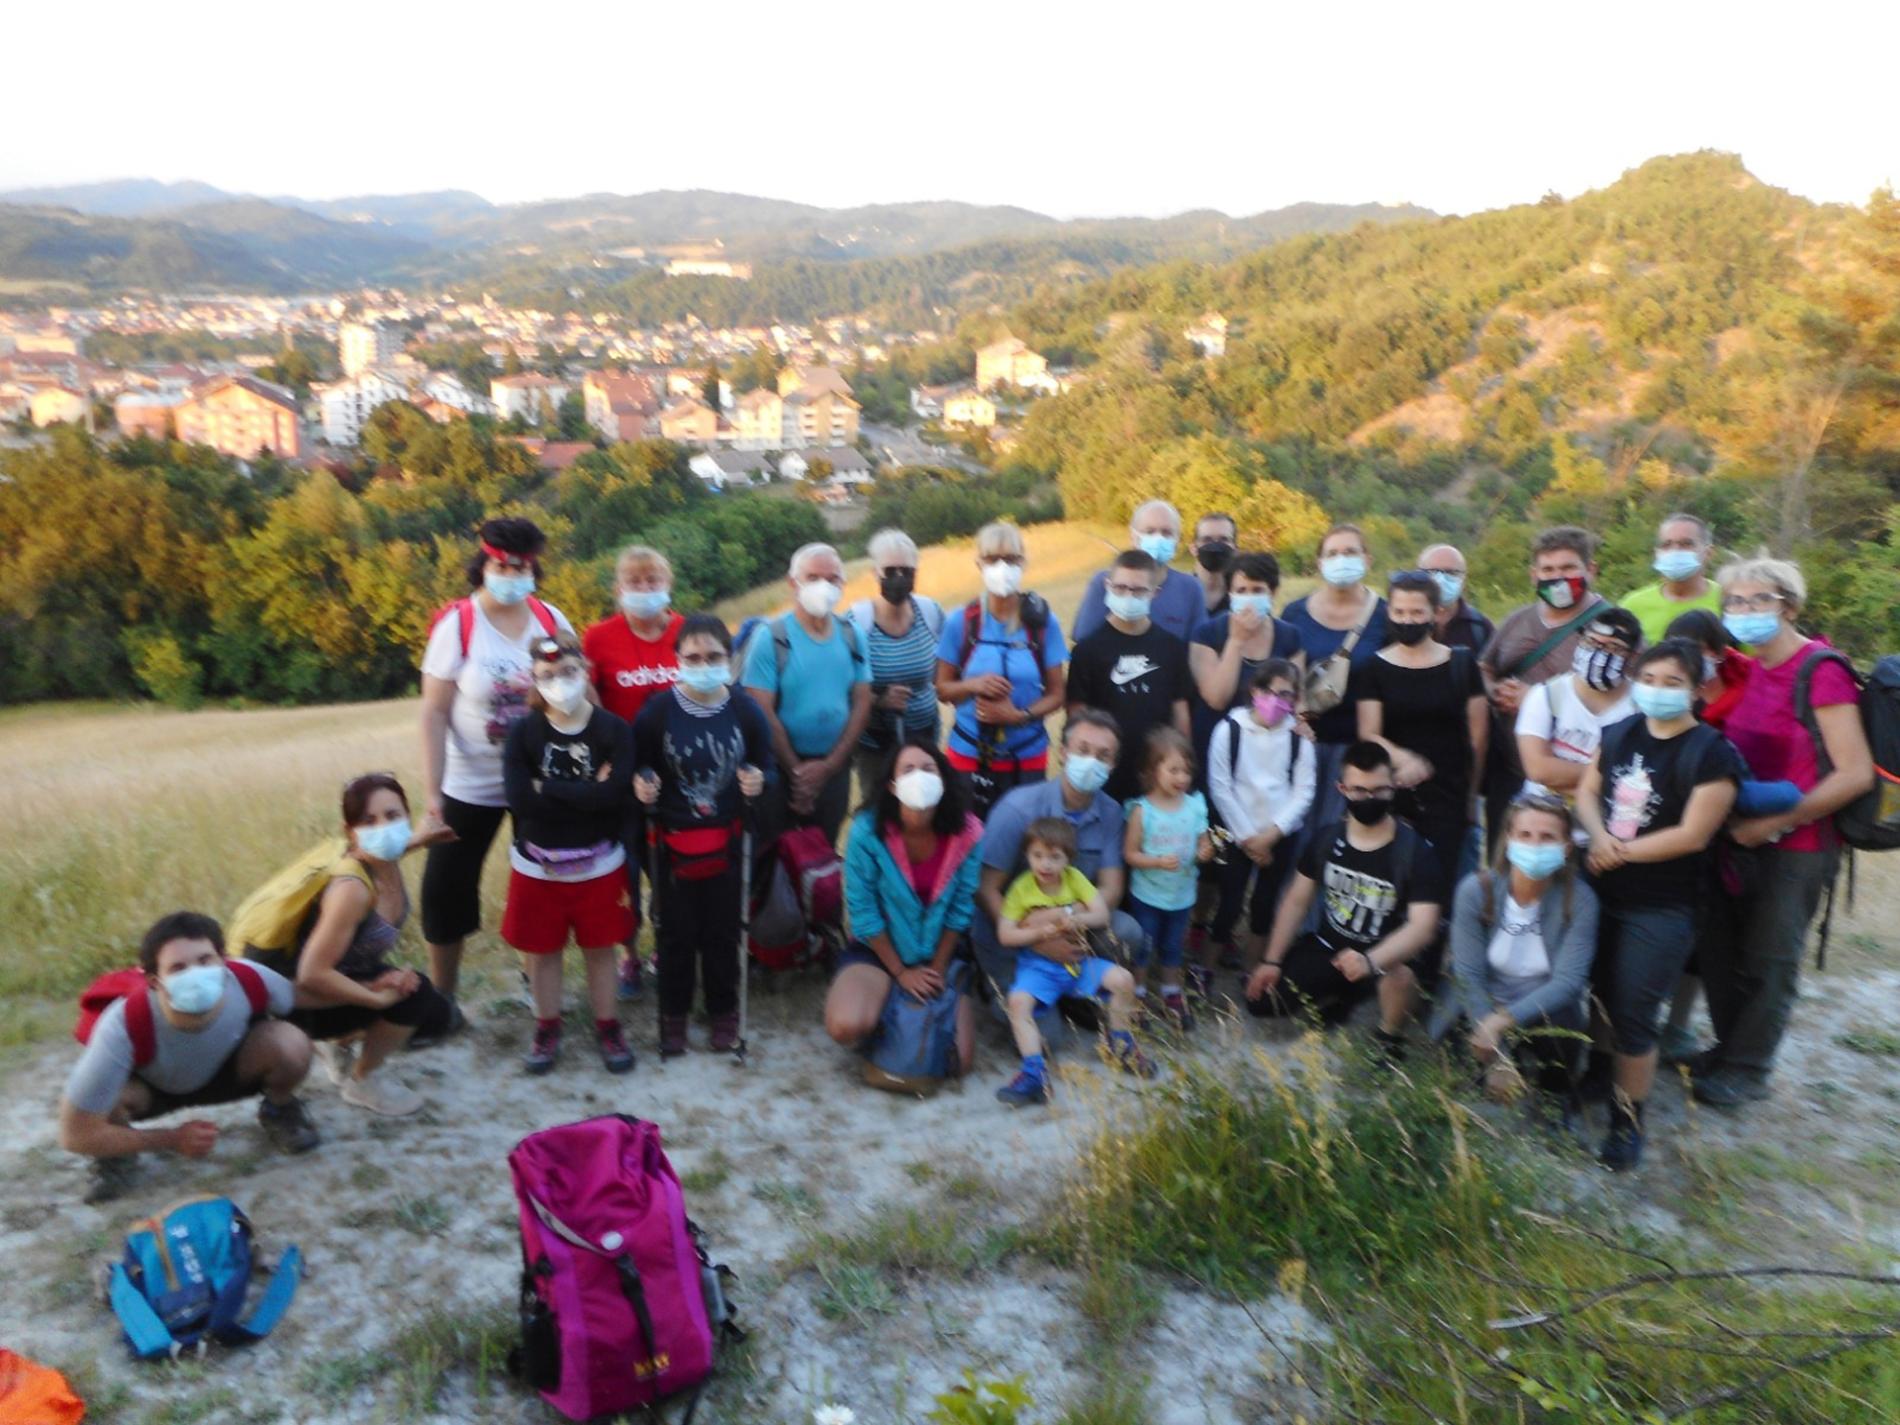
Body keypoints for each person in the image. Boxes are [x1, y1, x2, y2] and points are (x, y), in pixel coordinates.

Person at [1690, 558, 1874, 1108]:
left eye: (1758, 600)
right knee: (1724, 951)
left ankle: (1748, 1069)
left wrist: (1774, 824)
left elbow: (1855, 772)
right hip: (1737, 836)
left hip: (1797, 845)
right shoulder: (1745, 670)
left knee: (1771, 957)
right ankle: (1727, 1049)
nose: (1744, 611)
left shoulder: (1821, 670)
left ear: (1788, 606)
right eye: (1735, 602)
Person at [1576, 640, 1743, 1170]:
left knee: (1635, 1011)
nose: (1657, 690)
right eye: (1648, 678)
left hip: (1664, 904)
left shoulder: (1712, 753)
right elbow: (1586, 791)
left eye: (1673, 682)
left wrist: (1615, 851)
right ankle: (1600, 1073)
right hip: (1602, 888)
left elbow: (1695, 834)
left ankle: (1628, 1120)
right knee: (1599, 992)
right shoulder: (1618, 732)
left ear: (1696, 689)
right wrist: (1598, 837)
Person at [419, 516, 575, 1029]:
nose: (512, 573)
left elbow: (579, 694)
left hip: (538, 780)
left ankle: (541, 992)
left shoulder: (551, 620)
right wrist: (432, 794)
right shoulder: (458, 625)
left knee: (540, 886)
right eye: (502, 564)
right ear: (483, 564)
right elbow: (434, 712)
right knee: (446, 890)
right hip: (469, 782)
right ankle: (443, 1004)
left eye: (523, 566)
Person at [61, 912, 320, 1204]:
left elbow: (300, 996)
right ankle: (117, 1155)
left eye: (205, 960)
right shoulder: (122, 1023)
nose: (195, 974)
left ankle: (280, 1108)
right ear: (154, 981)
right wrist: (171, 1139)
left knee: (292, 1042)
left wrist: (369, 994)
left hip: (233, 1071)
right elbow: (74, 1134)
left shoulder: (247, 977)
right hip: (153, 1089)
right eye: (178, 968)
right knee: (104, 1098)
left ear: (224, 959)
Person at [243, 773, 455, 1117]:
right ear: (350, 832)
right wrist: (374, 994)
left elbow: (389, 847)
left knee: (437, 1014)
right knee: (414, 997)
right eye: (368, 820)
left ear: (407, 816)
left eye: (393, 815)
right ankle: (361, 1079)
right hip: (299, 1000)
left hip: (339, 978)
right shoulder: (351, 890)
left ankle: (338, 1045)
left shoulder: (383, 858)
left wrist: (421, 840)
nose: (384, 827)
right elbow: (312, 973)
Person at [632, 615, 773, 1058]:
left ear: (729, 659)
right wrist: (641, 781)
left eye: (713, 656)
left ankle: (724, 1011)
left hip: (728, 839)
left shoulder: (745, 709)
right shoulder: (657, 710)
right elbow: (638, 763)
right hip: (672, 842)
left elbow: (766, 764)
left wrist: (758, 780)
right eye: (692, 657)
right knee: (674, 932)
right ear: (677, 660)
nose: (703, 664)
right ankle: (673, 1015)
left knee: (723, 931)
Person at [1244, 742, 1444, 1051]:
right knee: (1262, 1002)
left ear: (1393, 787)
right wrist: (1272, 960)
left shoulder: (1415, 851)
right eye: (1359, 791)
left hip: (1385, 957)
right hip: (1330, 948)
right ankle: (1346, 995)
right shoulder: (1326, 839)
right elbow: (1297, 900)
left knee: (1400, 977)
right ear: (1341, 788)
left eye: (1378, 791)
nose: (1369, 799)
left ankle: (1389, 1037)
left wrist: (1369, 961)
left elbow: (1423, 927)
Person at [502, 632, 638, 1075]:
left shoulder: (613, 730)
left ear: (585, 671)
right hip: (538, 865)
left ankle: (608, 1024)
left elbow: (616, 796)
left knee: (601, 949)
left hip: (599, 862)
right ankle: (547, 1025)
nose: (558, 681)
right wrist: (586, 790)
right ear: (534, 680)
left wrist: (551, 788)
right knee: (544, 952)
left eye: (567, 672)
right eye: (546, 675)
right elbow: (521, 801)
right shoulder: (523, 732)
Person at [825, 738, 983, 1073]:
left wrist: (937, 968)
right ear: (892, 786)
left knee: (961, 1062)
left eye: (929, 768)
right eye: (908, 769)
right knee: (845, 1026)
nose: (920, 776)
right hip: (879, 953)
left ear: (943, 779)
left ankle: (907, 1015)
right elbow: (863, 913)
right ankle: (888, 1017)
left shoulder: (968, 832)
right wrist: (900, 972)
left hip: (941, 952)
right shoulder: (866, 832)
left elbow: (960, 911)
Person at [1441, 793, 1598, 1122]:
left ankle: (1554, 1104)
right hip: (1482, 1001)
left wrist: (1502, 1023)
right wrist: (1497, 1053)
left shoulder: (1580, 901)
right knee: (1454, 1062)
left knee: (1566, 1028)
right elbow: (1468, 974)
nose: (1535, 845)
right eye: (1525, 835)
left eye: (1548, 837)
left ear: (1567, 847)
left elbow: (1568, 983)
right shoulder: (1476, 890)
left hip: (1541, 1007)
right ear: (1509, 839)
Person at [971, 710, 1147, 999]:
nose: (1092, 761)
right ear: (1063, 753)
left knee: (1127, 932)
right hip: (1010, 930)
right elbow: (986, 889)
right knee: (1043, 1035)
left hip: (1071, 925)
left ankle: (1073, 991)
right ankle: (994, 976)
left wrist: (1062, 918)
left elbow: (1111, 888)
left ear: (1113, 764)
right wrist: (1036, 940)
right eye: (1083, 750)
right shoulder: (1018, 809)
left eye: (1103, 755)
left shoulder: (1111, 813)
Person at [994, 817, 1155, 1106]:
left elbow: (1102, 914)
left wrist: (1074, 918)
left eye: (1055, 857)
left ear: (1068, 859)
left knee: (1123, 980)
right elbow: (1005, 934)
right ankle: (1033, 1075)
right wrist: (1036, 932)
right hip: (1039, 967)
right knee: (1018, 1002)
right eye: (1038, 855)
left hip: (1078, 963)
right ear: (1027, 855)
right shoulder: (1022, 888)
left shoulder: (1074, 878)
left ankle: (1121, 1045)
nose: (1045, 865)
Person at [584, 543, 684, 1004]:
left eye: (653, 581)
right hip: (621, 776)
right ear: (618, 590)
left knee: (671, 870)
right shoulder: (598, 637)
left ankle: (667, 950)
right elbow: (590, 703)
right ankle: (629, 955)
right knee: (625, 870)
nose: (644, 590)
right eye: (634, 583)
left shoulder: (686, 631)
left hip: (680, 773)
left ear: (667, 586)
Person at [1479, 527, 1612, 851]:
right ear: (1534, 574)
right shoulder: (1518, 620)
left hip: (1575, 778)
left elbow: (1625, 695)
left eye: (1568, 569)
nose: (1558, 578)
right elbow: (1486, 666)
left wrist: (1536, 699)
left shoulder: (1613, 627)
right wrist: (1495, 690)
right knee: (1507, 861)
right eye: (1548, 570)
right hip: (1510, 771)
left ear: (1590, 570)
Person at [1353, 571, 1489, 879]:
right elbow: (1368, 732)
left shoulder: (1462, 664)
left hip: (1450, 792)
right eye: (1399, 611)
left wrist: (1471, 795)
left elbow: (1478, 737)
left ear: (1435, 612)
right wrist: (1404, 758)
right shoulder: (1374, 667)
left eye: (1417, 612)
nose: (1407, 620)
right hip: (1394, 789)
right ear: (1389, 612)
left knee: (1443, 879)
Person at [741, 542, 874, 845]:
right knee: (776, 859)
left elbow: (862, 701)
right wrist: (799, 774)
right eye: (813, 578)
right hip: (780, 771)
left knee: (823, 858)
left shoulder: (852, 635)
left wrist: (829, 767)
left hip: (834, 769)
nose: (823, 586)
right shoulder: (772, 638)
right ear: (793, 583)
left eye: (832, 579)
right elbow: (762, 711)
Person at [935, 521, 1069, 818]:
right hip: (969, 755)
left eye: (1010, 559)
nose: (1002, 567)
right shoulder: (962, 621)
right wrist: (973, 685)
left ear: (1023, 563)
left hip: (1028, 756)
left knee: (1024, 844)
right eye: (993, 559)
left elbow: (1058, 694)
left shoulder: (1043, 624)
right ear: (979, 564)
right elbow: (943, 689)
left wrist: (1017, 716)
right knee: (968, 841)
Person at [1206, 661, 1317, 974]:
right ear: (1255, 691)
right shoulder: (1229, 730)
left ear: (1295, 700)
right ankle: (1207, 968)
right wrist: (1247, 838)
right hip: (1236, 831)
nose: (1276, 699)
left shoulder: (1300, 739)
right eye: (1269, 691)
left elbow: (1303, 793)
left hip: (1279, 836)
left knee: (1265, 904)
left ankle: (1252, 969)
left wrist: (1271, 835)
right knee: (1229, 900)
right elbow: (1220, 786)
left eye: (1286, 694)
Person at [1279, 524, 1389, 831]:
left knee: (1340, 835)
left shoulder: (1386, 616)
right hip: (1304, 746)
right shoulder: (1294, 613)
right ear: (1320, 562)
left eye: (1350, 552)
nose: (1341, 559)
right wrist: (1295, 718)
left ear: (1367, 559)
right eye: (1333, 553)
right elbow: (1284, 679)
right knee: (1297, 833)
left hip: (1357, 752)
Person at [1064, 548, 1191, 803]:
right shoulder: (1088, 650)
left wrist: (1182, 763)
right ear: (1107, 586)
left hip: (1157, 773)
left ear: (1155, 593)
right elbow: (1077, 716)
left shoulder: (1171, 647)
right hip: (1105, 772)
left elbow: (1181, 711)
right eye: (1120, 588)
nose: (1128, 595)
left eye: (1138, 590)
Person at [845, 527, 946, 804]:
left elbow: (945, 670)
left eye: (907, 570)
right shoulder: (856, 622)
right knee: (880, 813)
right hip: (876, 746)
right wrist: (878, 700)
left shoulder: (931, 613)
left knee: (924, 811)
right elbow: (841, 687)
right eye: (890, 570)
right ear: (874, 572)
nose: (899, 578)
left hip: (925, 738)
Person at [1122, 728, 1214, 1025]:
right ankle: (1136, 991)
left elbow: (1205, 840)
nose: (1182, 778)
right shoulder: (1142, 811)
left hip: (1182, 895)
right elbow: (1130, 854)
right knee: (1144, 946)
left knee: (1174, 945)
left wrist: (1205, 850)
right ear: (1151, 770)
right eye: (1173, 770)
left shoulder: (1195, 806)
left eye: (1187, 770)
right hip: (1147, 895)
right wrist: (1157, 862)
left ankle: (1171, 992)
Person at [1514, 607, 1641, 804]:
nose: (1599, 653)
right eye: (1591, 642)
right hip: (1544, 819)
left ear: (1632, 656)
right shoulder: (1546, 695)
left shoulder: (1640, 706)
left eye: (1614, 648)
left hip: (1609, 826)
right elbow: (1538, 769)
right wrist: (1607, 779)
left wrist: (1564, 775)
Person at [1072, 500, 1206, 641]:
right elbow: (1084, 641)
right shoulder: (1105, 583)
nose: (1158, 538)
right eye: (1149, 531)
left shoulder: (1190, 588)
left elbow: (1199, 647)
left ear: (1177, 540)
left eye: (1166, 533)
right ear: (1133, 537)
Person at [1619, 514, 1723, 648]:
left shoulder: (1727, 600)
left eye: (1686, 544)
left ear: (1708, 553)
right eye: (1666, 545)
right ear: (1657, 553)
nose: (1675, 551)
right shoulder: (1632, 605)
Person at [1418, 543, 1495, 654]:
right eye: (1432, 572)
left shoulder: (1479, 628)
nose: (1441, 579)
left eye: (1451, 572)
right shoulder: (1402, 622)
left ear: (1464, 578)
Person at [1188, 511, 1240, 619]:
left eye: (1224, 540)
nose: (1215, 545)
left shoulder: (1244, 598)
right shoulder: (1178, 593)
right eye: (1207, 540)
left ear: (1236, 550)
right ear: (1193, 549)